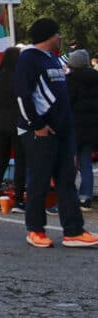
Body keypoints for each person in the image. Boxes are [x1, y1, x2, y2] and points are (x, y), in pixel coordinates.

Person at [15, 18, 98, 248]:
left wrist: (70, 130)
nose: (60, 37)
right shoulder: (29, 59)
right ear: (48, 35)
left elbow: (62, 98)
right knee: (40, 182)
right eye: (57, 33)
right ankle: (35, 230)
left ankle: (73, 231)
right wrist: (37, 125)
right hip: (40, 132)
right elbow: (23, 96)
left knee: (67, 181)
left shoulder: (52, 59)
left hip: (63, 131)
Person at [0, 47, 26, 212]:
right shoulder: (19, 77)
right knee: (21, 159)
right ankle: (19, 200)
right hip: (17, 120)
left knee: (2, 159)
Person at [67, 49, 98, 211]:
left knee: (69, 162)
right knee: (85, 162)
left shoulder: (70, 81)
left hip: (74, 126)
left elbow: (66, 103)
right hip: (92, 127)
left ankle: (68, 195)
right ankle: (86, 197)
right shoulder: (95, 78)